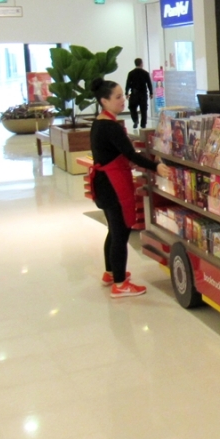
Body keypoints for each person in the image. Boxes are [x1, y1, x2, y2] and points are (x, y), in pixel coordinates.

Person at [90, 77, 170, 298]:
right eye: (117, 97)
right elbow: (130, 154)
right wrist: (156, 167)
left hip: (103, 183)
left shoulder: (98, 122)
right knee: (120, 232)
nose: (123, 101)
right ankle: (119, 283)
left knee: (113, 229)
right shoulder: (110, 127)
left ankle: (110, 273)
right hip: (113, 184)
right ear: (104, 101)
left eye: (122, 96)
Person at [124, 58, 153, 130]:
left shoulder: (131, 73)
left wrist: (126, 93)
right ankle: (143, 124)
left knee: (132, 107)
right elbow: (149, 84)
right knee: (143, 109)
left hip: (134, 93)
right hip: (143, 94)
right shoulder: (145, 73)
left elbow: (128, 83)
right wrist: (151, 93)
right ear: (141, 63)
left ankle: (135, 120)